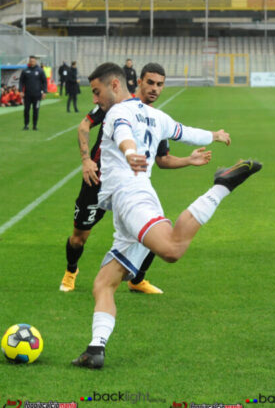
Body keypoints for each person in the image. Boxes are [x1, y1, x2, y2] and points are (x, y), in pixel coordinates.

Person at [70, 62, 261, 369]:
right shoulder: (157, 116)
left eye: (97, 91)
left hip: (131, 197)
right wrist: (215, 134)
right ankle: (96, 349)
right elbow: (185, 132)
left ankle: (221, 186)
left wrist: (131, 153)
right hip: (128, 206)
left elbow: (123, 135)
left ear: (115, 85)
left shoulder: (118, 112)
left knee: (171, 249)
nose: (95, 99)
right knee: (103, 283)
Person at [60, 62, 214, 295]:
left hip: (130, 186)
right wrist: (86, 161)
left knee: (154, 227)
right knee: (79, 237)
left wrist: (188, 160)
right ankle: (71, 271)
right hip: (97, 181)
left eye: (159, 84)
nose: (154, 89)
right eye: (150, 83)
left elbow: (163, 160)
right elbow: (84, 127)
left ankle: (137, 280)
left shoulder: (153, 119)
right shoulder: (115, 104)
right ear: (139, 82)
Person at [19, 56, 47, 131]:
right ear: (29, 61)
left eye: (33, 61)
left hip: (37, 95)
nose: (32, 62)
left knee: (36, 110)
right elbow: (21, 81)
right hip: (27, 95)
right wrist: (21, 91)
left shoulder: (40, 71)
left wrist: (44, 92)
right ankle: (26, 125)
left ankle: (35, 125)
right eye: (31, 61)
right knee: (26, 110)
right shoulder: (25, 71)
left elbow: (44, 82)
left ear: (35, 61)